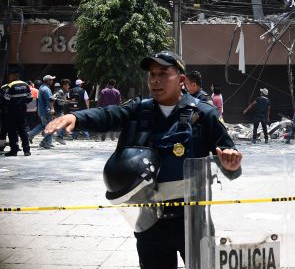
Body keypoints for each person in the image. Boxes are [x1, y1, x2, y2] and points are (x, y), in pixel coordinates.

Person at [45, 51, 242, 268]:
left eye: (163, 74)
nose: (155, 80)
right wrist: (76, 117)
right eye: (151, 74)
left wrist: (230, 164)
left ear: (182, 80)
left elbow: (227, 152)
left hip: (193, 220)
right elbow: (109, 115)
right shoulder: (139, 110)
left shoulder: (204, 114)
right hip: (149, 220)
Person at [1, 70, 33, 156]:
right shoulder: (25, 85)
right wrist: (23, 103)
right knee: (23, 130)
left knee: (12, 131)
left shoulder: (10, 85)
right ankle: (27, 150)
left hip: (12, 111)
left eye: (10, 76)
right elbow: (30, 98)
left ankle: (14, 151)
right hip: (22, 111)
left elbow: (5, 99)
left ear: (13, 76)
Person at [34, 75, 56, 149]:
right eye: (51, 80)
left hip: (42, 111)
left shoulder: (41, 87)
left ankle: (45, 142)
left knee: (46, 127)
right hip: (47, 112)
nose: (52, 81)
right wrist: (52, 109)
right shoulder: (46, 89)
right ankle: (46, 143)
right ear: (47, 81)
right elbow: (50, 101)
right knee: (50, 128)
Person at [52, 79, 71, 145]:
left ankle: (53, 137)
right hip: (58, 110)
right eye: (67, 85)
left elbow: (63, 101)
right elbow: (52, 98)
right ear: (63, 85)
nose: (68, 86)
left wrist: (71, 101)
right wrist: (52, 109)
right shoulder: (60, 92)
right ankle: (59, 137)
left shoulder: (63, 92)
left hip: (60, 110)